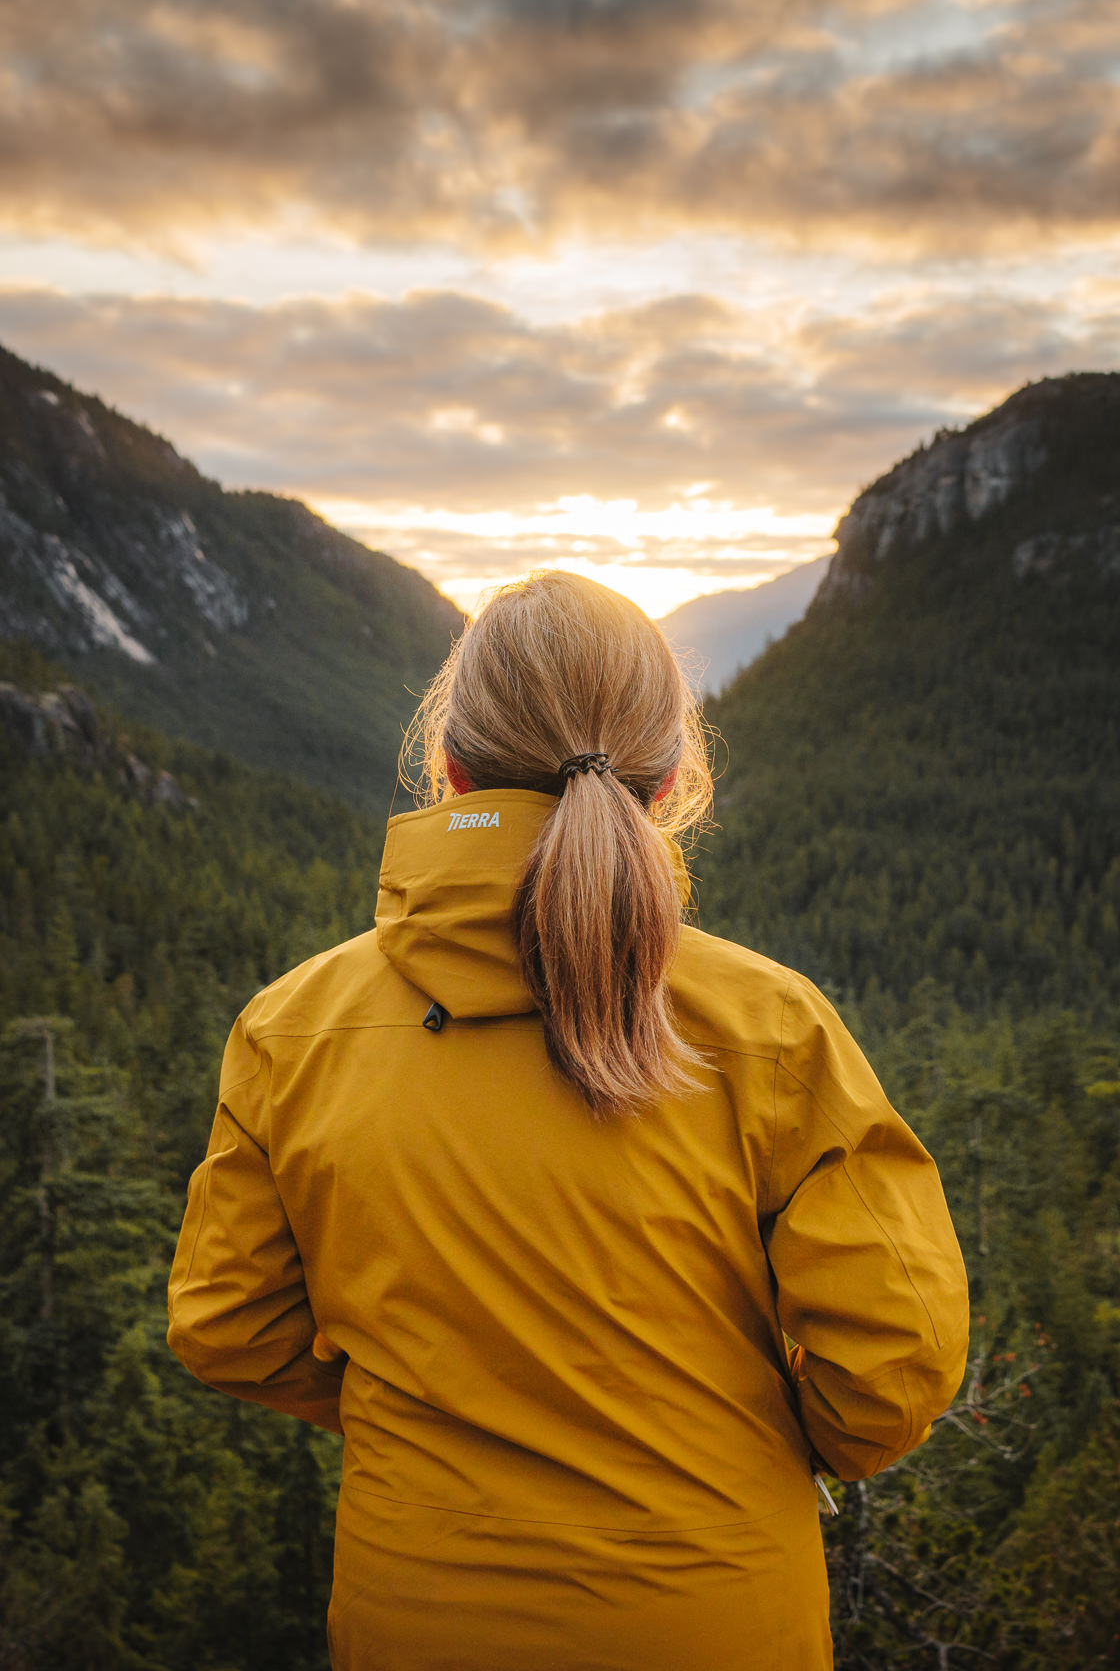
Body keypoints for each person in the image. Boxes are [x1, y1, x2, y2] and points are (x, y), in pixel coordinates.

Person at [167, 569, 969, 1671]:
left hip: (418, 1619)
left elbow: (227, 1325)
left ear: (447, 768)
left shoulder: (291, 1030)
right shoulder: (768, 1028)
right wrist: (748, 1443)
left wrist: (428, 1411)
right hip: (717, 1621)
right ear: (669, 777)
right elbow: (894, 1364)